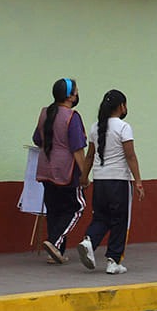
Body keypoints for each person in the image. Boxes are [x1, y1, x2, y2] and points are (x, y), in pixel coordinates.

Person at [80, 89, 141, 275]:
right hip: (119, 181)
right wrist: (138, 180)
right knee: (119, 220)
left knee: (101, 217)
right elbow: (130, 156)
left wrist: (83, 177)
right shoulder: (124, 127)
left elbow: (89, 156)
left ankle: (89, 241)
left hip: (100, 181)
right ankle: (113, 261)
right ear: (122, 106)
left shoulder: (95, 127)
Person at [33, 77, 90, 264]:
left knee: (54, 209)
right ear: (70, 96)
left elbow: (37, 139)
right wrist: (84, 174)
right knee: (76, 208)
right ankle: (54, 242)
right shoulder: (72, 117)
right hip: (66, 170)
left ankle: (54, 252)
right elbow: (77, 149)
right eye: (76, 91)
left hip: (46, 167)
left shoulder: (44, 113)